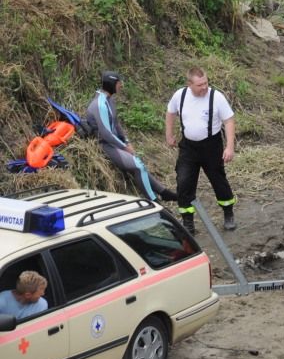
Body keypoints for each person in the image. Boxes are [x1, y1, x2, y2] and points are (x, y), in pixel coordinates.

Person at [164, 67, 238, 234]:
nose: (204, 87)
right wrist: (169, 135)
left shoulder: (216, 97)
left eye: (206, 82)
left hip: (211, 146)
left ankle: (228, 213)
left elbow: (229, 121)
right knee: (183, 182)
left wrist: (230, 147)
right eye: (200, 85)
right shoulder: (180, 95)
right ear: (189, 84)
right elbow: (170, 113)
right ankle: (188, 222)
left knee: (218, 180)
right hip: (188, 148)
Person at [84, 72, 176, 202]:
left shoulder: (109, 100)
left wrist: (126, 142)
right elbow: (106, 134)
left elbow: (116, 124)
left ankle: (163, 192)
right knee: (138, 166)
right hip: (104, 144)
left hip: (113, 143)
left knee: (139, 163)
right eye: (118, 83)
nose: (121, 85)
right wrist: (124, 147)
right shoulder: (100, 104)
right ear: (111, 84)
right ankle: (155, 201)